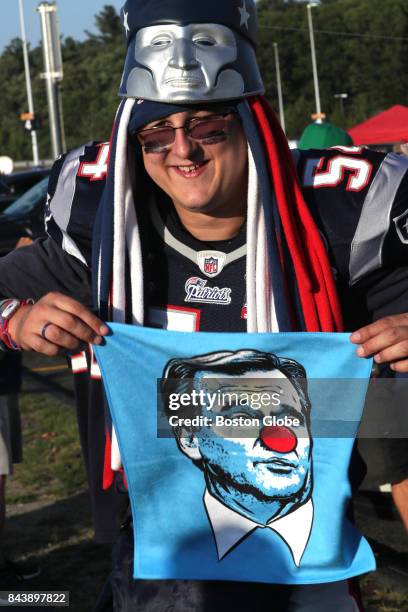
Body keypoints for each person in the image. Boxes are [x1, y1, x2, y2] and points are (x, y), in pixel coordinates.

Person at [0, 0, 406, 609]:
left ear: (250, 122)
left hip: (310, 555)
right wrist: (16, 319)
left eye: (207, 126)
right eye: (156, 133)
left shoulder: (337, 213)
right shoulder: (101, 220)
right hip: (158, 555)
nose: (181, 150)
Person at [162, 349, 314, 566]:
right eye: (242, 418)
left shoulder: (332, 559)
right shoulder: (169, 553)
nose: (279, 439)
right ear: (190, 439)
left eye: (290, 418)